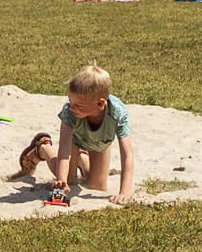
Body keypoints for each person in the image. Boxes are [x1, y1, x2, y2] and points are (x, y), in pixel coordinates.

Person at [46, 64, 136, 206]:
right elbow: (64, 150)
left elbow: (127, 155)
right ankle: (43, 148)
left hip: (100, 144)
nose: (72, 107)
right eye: (70, 101)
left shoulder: (117, 113)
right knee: (70, 180)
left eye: (79, 105)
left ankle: (82, 159)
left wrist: (124, 192)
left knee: (97, 186)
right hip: (74, 142)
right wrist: (60, 180)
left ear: (100, 103)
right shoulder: (70, 112)